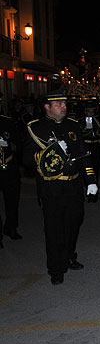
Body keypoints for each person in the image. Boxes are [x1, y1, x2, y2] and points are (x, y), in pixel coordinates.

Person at [24, 89, 97, 284]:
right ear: (47, 107)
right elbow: (27, 159)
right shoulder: (35, 128)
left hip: (73, 185)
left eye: (64, 104)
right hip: (52, 187)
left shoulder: (73, 126)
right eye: (59, 104)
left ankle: (69, 255)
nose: (64, 107)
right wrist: (50, 153)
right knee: (54, 227)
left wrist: (90, 180)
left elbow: (83, 155)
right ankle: (56, 268)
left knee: (74, 222)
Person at [0, 93, 22, 248]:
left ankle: (11, 227)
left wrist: (8, 145)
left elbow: (18, 143)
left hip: (8, 166)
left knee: (12, 199)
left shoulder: (7, 122)